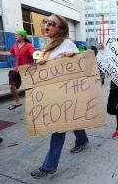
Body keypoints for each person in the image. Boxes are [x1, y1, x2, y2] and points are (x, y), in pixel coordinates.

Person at [30, 14, 89, 179]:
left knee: (57, 130)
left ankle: (49, 166)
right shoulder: (47, 46)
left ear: (60, 29)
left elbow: (80, 64)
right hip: (53, 95)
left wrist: (71, 56)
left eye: (51, 23)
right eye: (46, 22)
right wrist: (40, 64)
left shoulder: (67, 43)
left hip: (65, 94)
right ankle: (82, 140)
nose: (47, 24)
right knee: (71, 119)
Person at [0, 30, 35, 110]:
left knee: (29, 88)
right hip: (17, 69)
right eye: (15, 35)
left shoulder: (29, 46)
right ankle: (17, 102)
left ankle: (35, 102)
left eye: (17, 35)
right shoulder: (15, 46)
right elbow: (9, 53)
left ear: (22, 36)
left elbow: (34, 55)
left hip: (27, 70)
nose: (15, 36)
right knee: (11, 85)